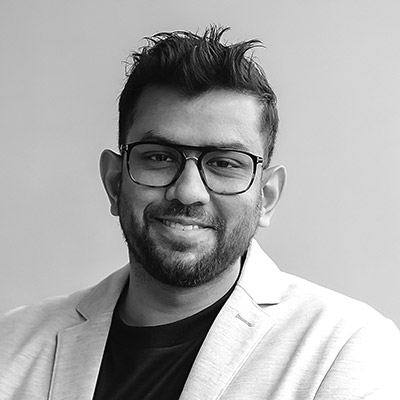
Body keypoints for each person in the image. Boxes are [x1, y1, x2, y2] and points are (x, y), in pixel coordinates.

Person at [1, 26, 399, 400]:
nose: (188, 191)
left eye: (224, 163)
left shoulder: (348, 349)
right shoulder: (10, 344)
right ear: (114, 181)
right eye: (159, 157)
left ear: (267, 197)